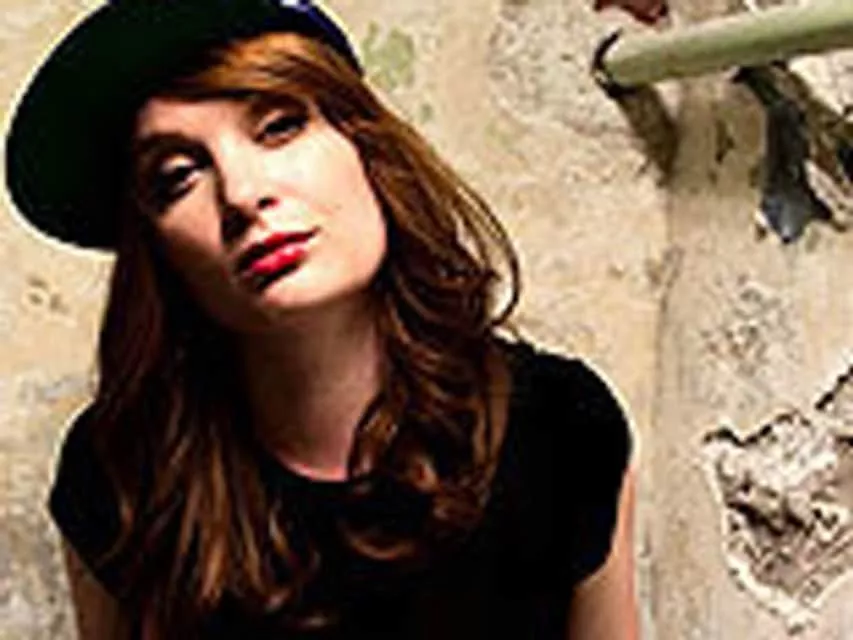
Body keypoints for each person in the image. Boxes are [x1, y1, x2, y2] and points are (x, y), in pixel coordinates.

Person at [5, 1, 638, 638]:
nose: (242, 193)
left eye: (279, 127)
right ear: (159, 256)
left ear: (365, 147)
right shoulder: (116, 478)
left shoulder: (564, 428)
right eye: (178, 176)